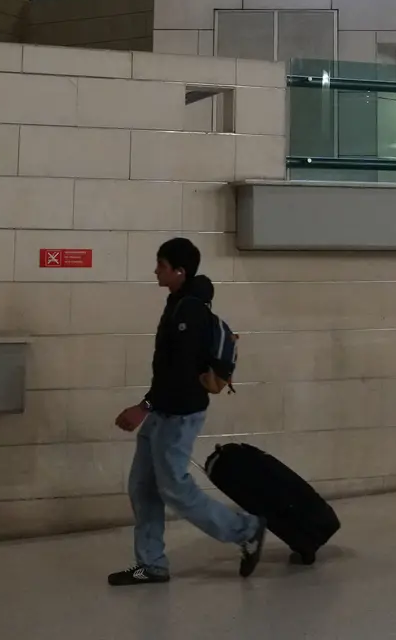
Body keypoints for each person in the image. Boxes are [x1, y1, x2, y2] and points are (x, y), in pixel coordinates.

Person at [109, 237, 265, 586]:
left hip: (178, 414)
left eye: (161, 265)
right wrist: (150, 407)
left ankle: (246, 531)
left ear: (179, 271)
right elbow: (169, 370)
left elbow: (178, 373)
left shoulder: (189, 311)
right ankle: (151, 564)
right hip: (164, 410)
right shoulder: (179, 302)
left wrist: (142, 407)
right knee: (143, 487)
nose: (155, 270)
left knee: (175, 488)